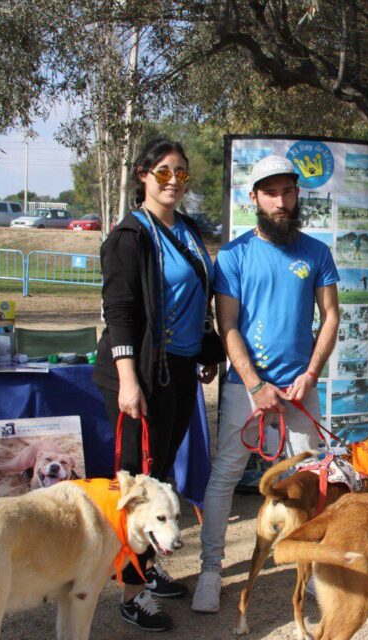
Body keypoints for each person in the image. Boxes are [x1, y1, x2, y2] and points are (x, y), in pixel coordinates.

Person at [192, 155, 340, 613]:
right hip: (245, 388)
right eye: (271, 192)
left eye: (288, 191)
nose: (281, 201)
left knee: (311, 479)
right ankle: (211, 571)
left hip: (300, 390)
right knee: (226, 476)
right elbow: (228, 324)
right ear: (253, 197)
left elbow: (331, 316)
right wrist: (256, 385)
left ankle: (312, 570)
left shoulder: (316, 252)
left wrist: (310, 375)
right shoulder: (234, 254)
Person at [93, 138, 222, 632]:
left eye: (181, 174)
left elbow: (197, 297)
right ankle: (131, 592)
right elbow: (120, 313)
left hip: (178, 372)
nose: (173, 181)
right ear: (143, 175)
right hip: (139, 375)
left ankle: (147, 567)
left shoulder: (187, 231)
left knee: (161, 477)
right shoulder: (129, 236)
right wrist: (129, 381)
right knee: (137, 485)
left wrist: (204, 351)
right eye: (163, 172)